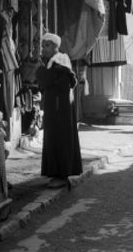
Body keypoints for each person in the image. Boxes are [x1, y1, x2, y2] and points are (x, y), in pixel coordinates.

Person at [36, 33, 82, 188]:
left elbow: (48, 81)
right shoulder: (54, 64)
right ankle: (56, 174)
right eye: (43, 46)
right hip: (55, 109)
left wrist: (41, 72)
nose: (44, 49)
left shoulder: (60, 63)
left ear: (56, 47)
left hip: (59, 110)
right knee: (53, 139)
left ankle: (61, 176)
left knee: (59, 139)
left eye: (47, 45)